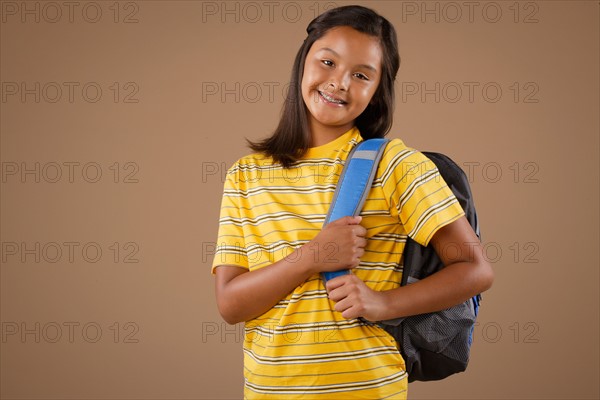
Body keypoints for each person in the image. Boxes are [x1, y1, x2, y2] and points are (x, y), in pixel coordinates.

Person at [211, 5, 493, 399]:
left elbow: (476, 270)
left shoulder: (396, 165)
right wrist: (312, 256)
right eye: (327, 62)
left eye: (361, 75)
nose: (339, 82)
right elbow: (230, 305)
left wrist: (384, 303)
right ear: (303, 63)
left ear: (377, 90)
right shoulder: (246, 175)